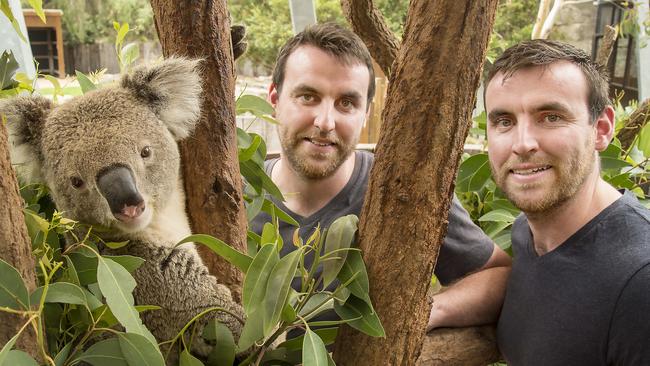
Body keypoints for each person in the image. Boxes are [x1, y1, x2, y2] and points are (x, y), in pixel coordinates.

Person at [250, 22, 511, 332]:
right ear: (275, 99)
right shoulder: (236, 196)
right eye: (308, 97)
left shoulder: (402, 189)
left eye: (346, 103)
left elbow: (499, 275)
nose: (325, 122)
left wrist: (424, 314)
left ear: (366, 114)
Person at [484, 39, 650, 365]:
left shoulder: (640, 280)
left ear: (601, 129)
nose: (523, 144)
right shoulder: (527, 235)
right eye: (504, 121)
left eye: (551, 117)